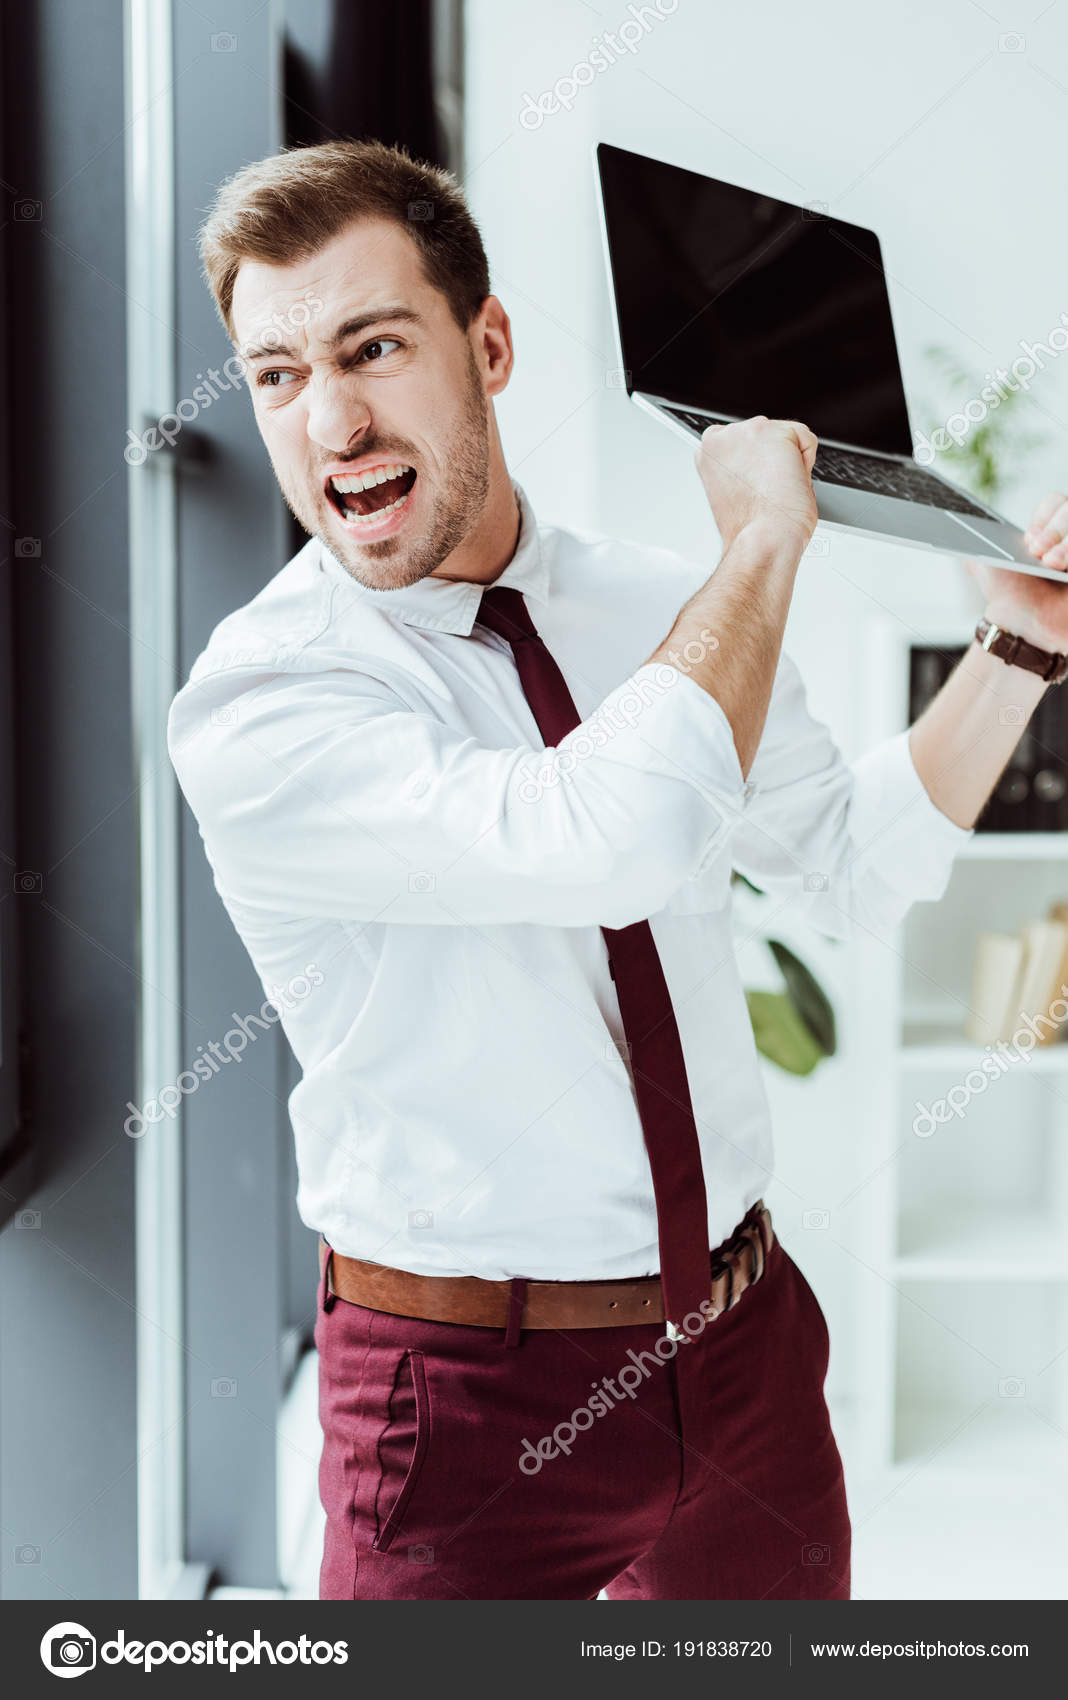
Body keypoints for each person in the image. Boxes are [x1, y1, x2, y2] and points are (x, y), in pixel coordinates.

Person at [168, 139, 1068, 1600]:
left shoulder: (659, 610)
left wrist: (1020, 647)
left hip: (741, 1347)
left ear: (491, 342)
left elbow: (842, 865)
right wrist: (770, 539)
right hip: (461, 1399)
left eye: (373, 347)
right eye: (275, 375)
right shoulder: (263, 704)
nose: (329, 420)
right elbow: (599, 838)